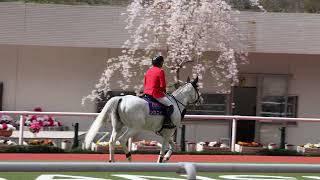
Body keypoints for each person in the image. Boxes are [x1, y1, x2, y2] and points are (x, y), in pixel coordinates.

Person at [143, 55, 175, 129]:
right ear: (161, 63)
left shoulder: (148, 71)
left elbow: (145, 83)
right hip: (155, 93)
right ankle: (167, 122)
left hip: (146, 93)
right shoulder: (160, 71)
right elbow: (162, 85)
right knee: (170, 106)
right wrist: (164, 93)